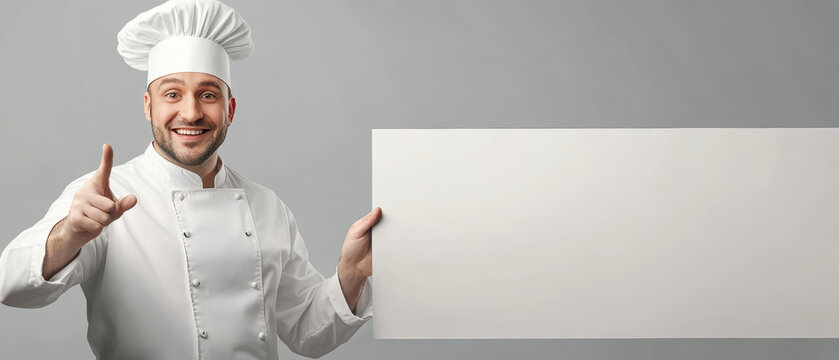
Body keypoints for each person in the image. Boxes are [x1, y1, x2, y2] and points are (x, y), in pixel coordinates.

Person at [0, 0, 381, 359]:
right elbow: (11, 285)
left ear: (230, 109)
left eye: (208, 95)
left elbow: (308, 331)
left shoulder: (267, 206)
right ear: (148, 106)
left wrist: (351, 273)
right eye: (172, 94)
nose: (191, 112)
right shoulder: (103, 198)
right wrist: (69, 234)